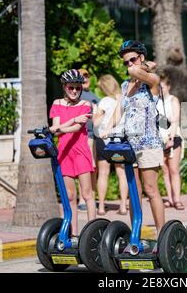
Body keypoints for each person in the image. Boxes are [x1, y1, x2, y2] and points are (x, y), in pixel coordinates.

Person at [112, 40, 165, 235]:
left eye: (132, 59)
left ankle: (162, 235)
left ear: (141, 57)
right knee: (135, 193)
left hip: (148, 143)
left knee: (151, 190)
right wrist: (105, 131)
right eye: (125, 62)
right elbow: (119, 112)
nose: (129, 65)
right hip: (128, 144)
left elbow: (136, 73)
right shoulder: (126, 85)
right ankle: (135, 233)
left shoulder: (153, 81)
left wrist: (143, 67)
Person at [49, 69, 96, 236]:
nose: (75, 91)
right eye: (71, 87)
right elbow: (57, 131)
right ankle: (72, 234)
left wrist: (62, 126)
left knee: (87, 194)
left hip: (81, 151)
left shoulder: (85, 105)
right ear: (64, 87)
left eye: (78, 87)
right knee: (69, 196)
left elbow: (71, 129)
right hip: (64, 153)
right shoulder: (56, 103)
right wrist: (72, 120)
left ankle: (92, 233)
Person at [92, 74, 129, 216]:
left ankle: (101, 207)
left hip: (104, 139)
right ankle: (123, 206)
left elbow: (95, 123)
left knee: (103, 173)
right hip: (120, 139)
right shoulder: (123, 101)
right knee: (122, 173)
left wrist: (96, 112)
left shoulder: (104, 101)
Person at [157, 72, 184, 210]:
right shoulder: (156, 101)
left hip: (173, 138)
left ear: (168, 86)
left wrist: (171, 138)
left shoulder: (173, 100)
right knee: (165, 171)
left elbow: (175, 121)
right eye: (158, 87)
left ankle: (177, 199)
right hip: (160, 139)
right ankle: (170, 198)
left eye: (162, 86)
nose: (160, 89)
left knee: (174, 170)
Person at [76, 68, 100, 212]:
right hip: (82, 136)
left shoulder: (93, 96)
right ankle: (82, 199)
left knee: (92, 168)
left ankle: (92, 197)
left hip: (93, 136)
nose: (85, 79)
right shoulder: (76, 95)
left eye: (87, 76)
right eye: (82, 76)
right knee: (83, 167)